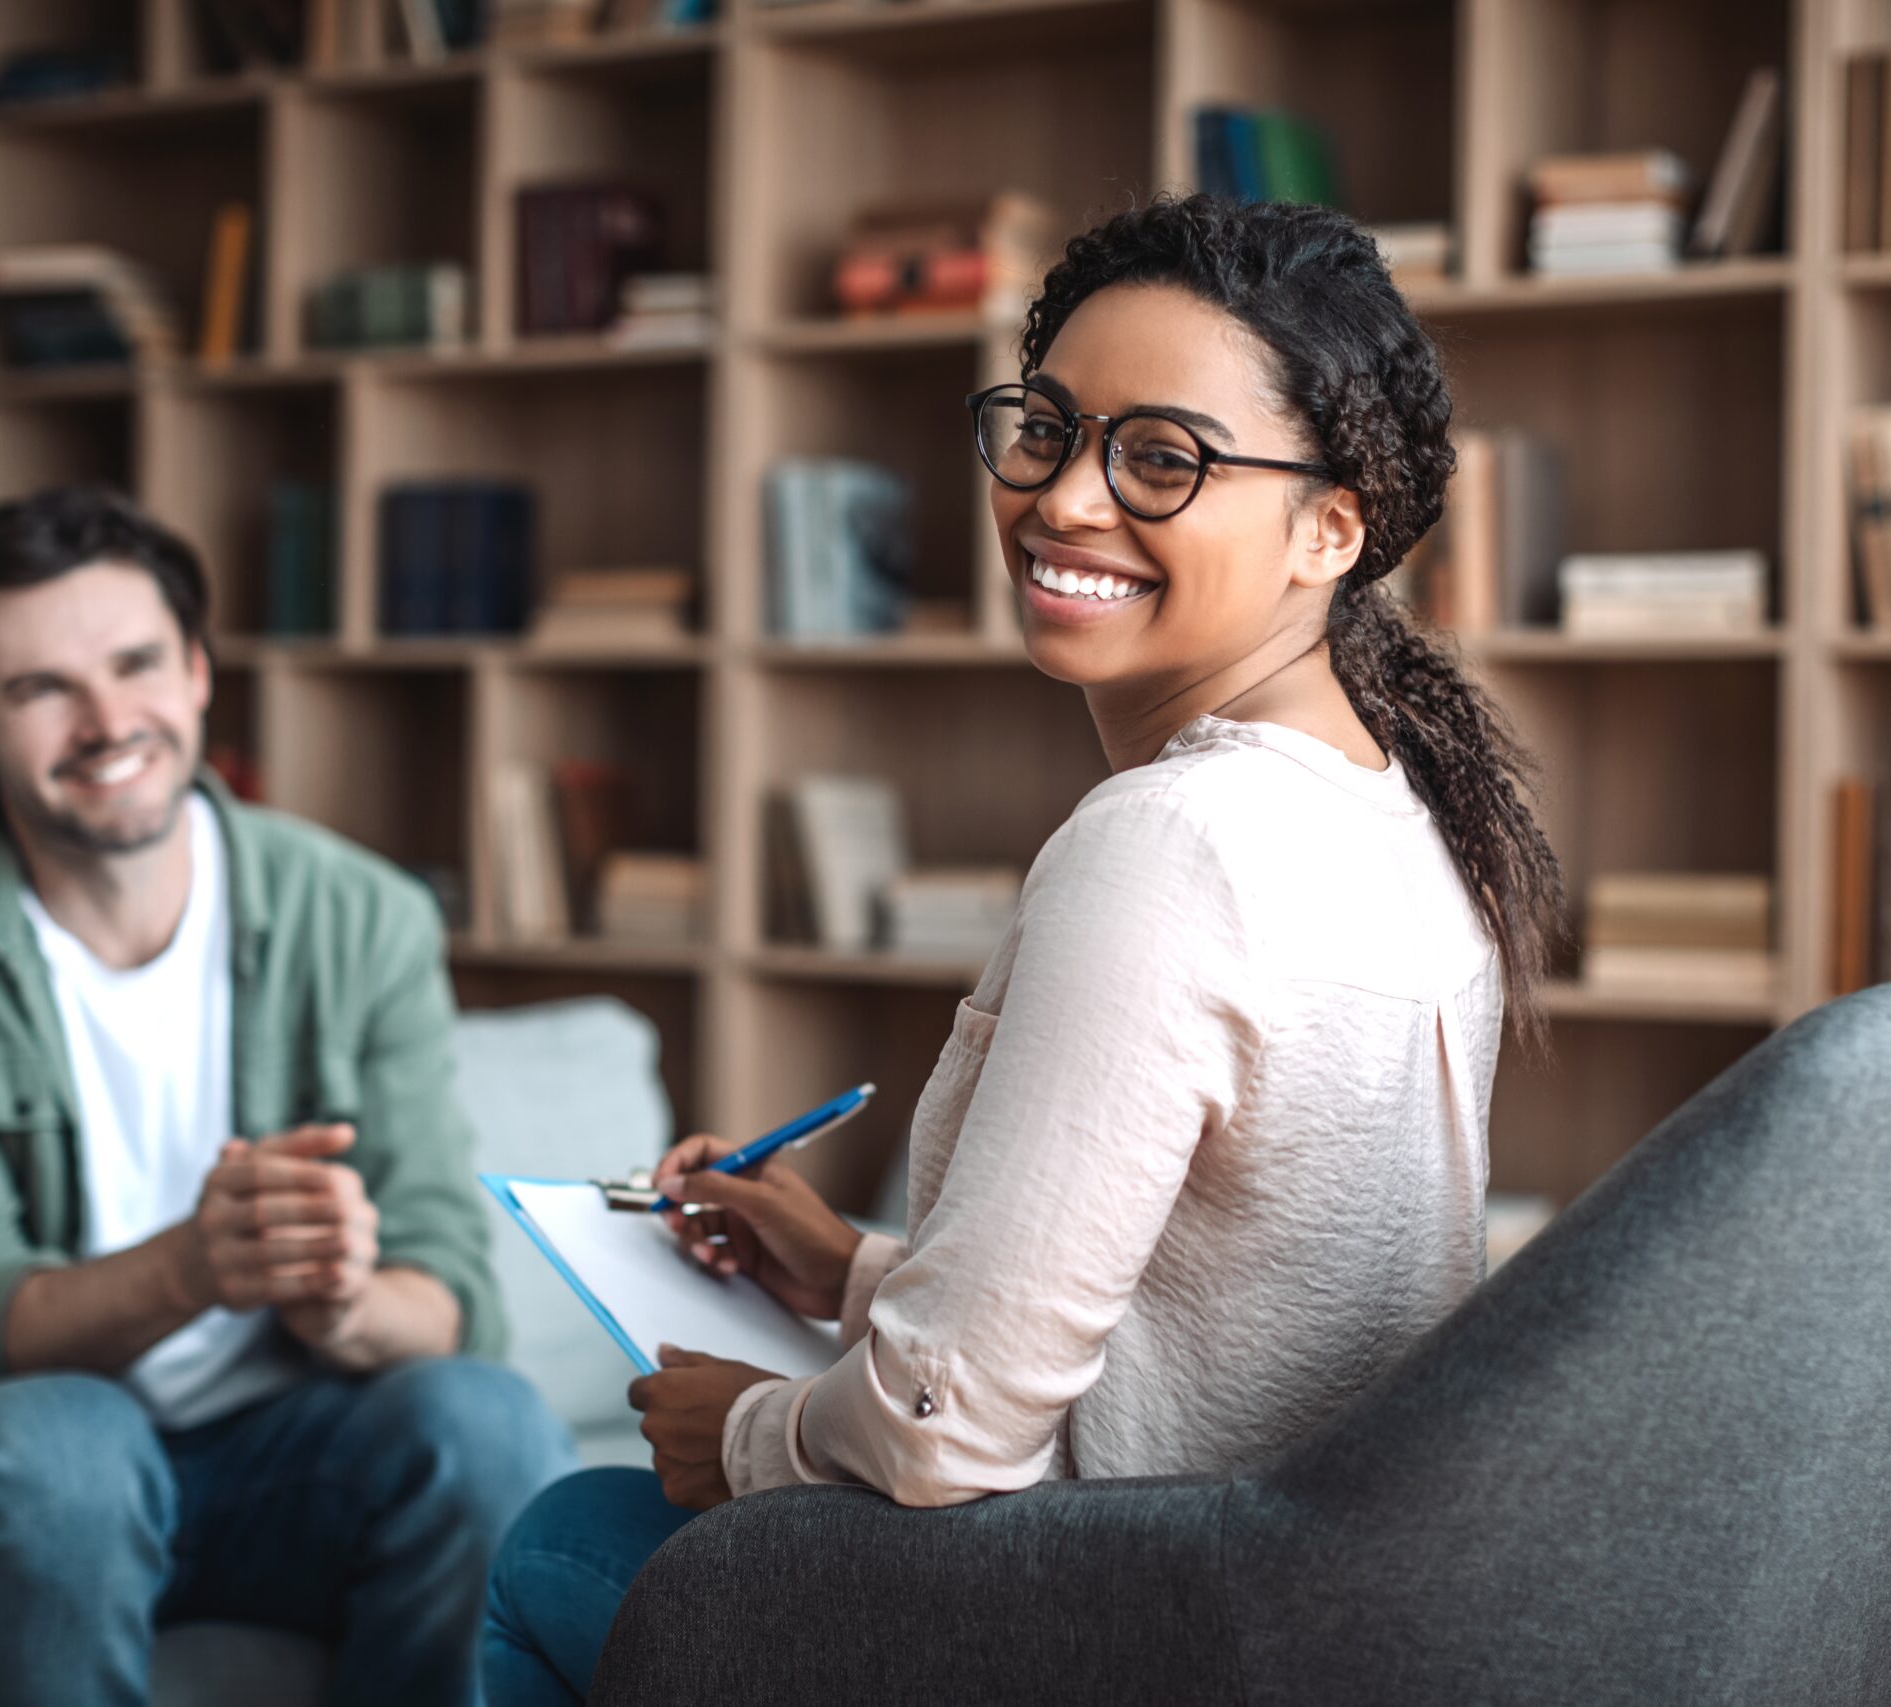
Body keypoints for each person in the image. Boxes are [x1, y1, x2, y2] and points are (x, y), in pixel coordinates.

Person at [478, 193, 1569, 1704]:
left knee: (560, 1533)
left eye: (1163, 458)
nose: (1065, 499)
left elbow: (943, 1431)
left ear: (1333, 526)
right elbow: (1208, 1325)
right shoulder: (1397, 808)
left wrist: (741, 1434)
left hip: (1124, 1633)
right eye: (1047, 428)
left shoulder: (1173, 845)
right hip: (1297, 1617)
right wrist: (851, 1269)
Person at [0, 487, 575, 1706]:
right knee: (68, 1450)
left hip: (285, 1467)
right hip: (0, 1462)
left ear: (200, 673)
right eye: (42, 688)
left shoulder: (364, 916)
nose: (110, 721)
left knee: (491, 1425)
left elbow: (453, 1301)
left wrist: (346, 1301)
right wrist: (193, 1267)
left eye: (137, 663)